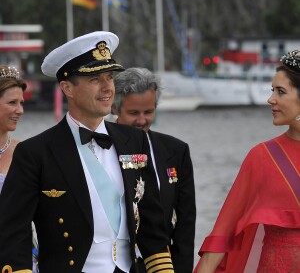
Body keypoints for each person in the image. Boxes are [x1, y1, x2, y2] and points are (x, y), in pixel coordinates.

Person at [0, 32, 174, 273]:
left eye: (110, 77)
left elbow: (153, 225)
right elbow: (13, 234)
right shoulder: (35, 153)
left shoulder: (135, 141)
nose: (107, 88)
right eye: (95, 79)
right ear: (67, 88)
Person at [194, 50, 300, 273]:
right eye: (273, 91)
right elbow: (224, 230)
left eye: (281, 92)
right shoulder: (262, 156)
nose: (270, 99)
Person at [112, 67, 196, 273]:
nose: (142, 121)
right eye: (133, 113)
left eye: (148, 112)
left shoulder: (176, 150)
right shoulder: (100, 148)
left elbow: (186, 222)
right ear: (114, 108)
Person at [0, 66, 39, 273]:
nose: (20, 110)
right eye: (12, 103)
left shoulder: (23, 152)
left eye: (21, 103)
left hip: (18, 260)